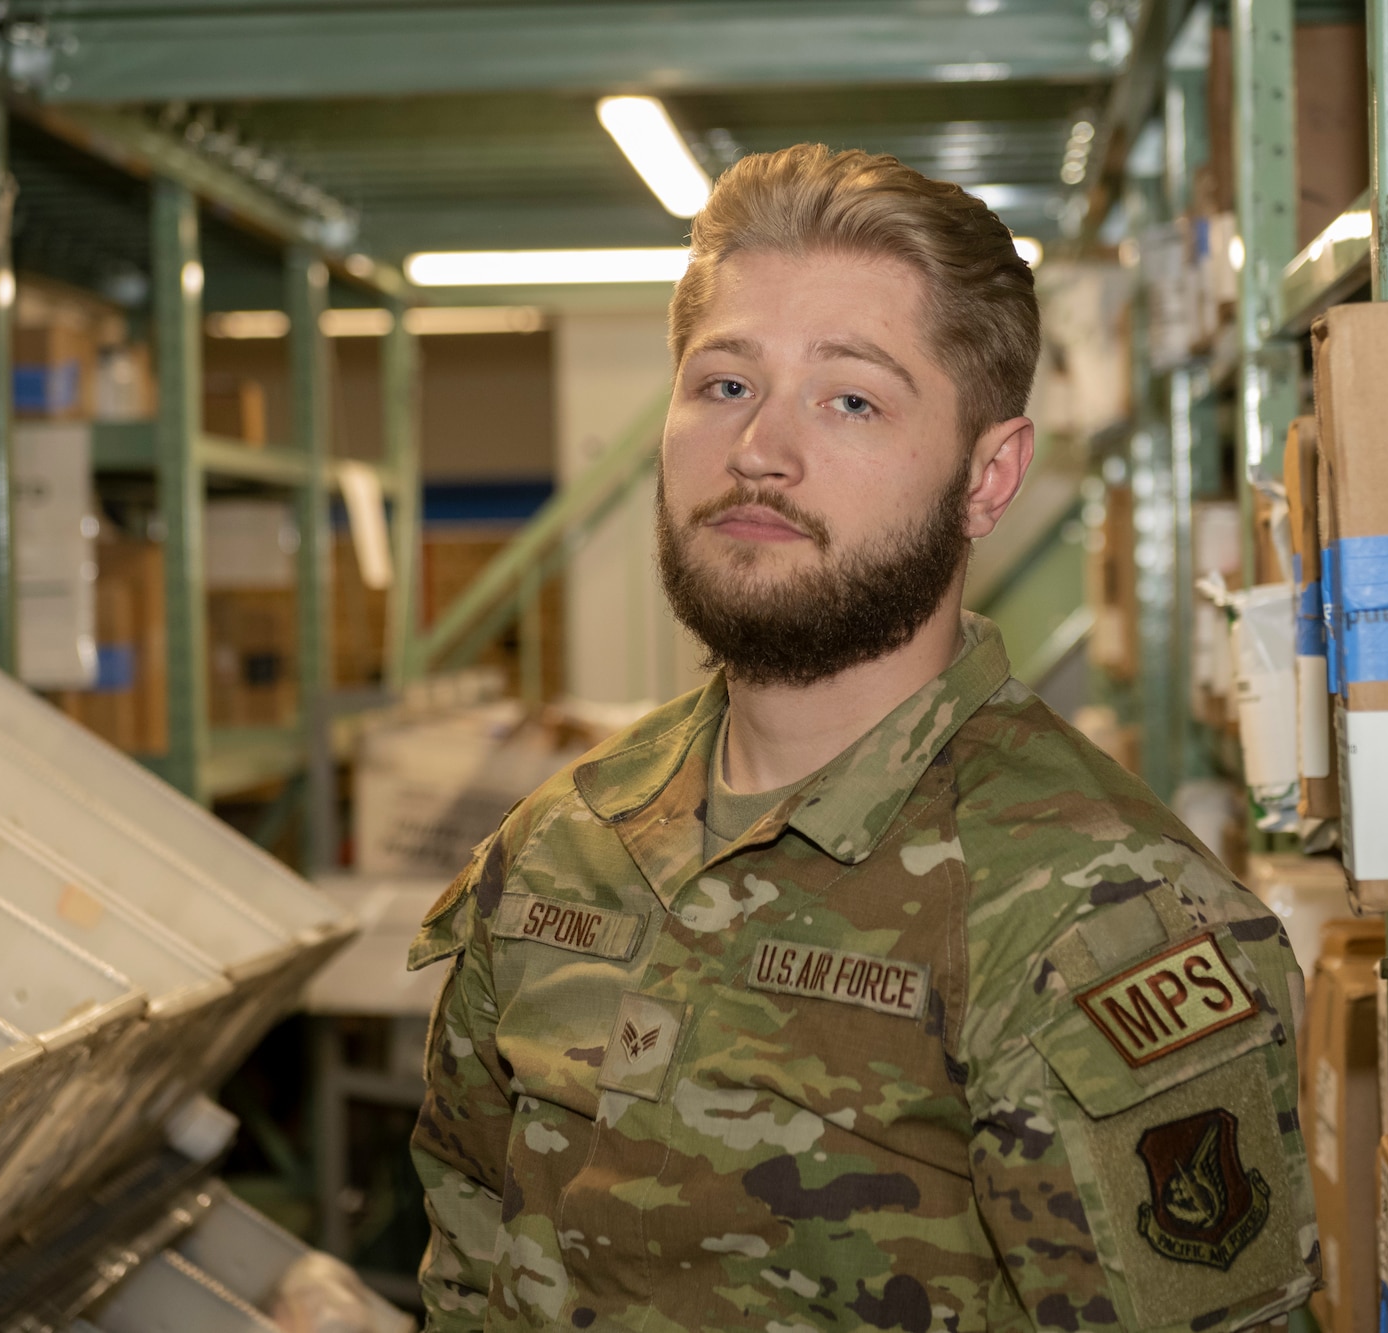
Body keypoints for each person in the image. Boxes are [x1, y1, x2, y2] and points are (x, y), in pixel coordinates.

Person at [407, 144, 1316, 1333]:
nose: (758, 452)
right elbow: (468, 1263)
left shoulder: (1093, 919)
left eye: (849, 398)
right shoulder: (555, 849)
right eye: (724, 384)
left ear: (987, 479)